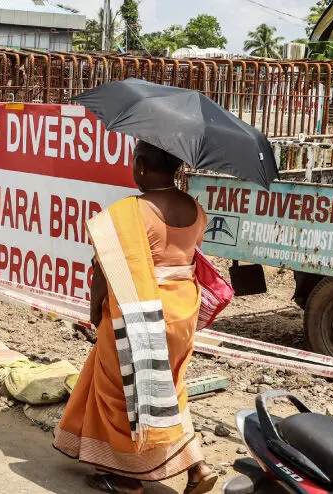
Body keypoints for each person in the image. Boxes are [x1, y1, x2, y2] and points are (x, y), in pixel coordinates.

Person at [53, 141, 216, 494]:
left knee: (125, 392)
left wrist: (95, 310)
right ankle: (196, 466)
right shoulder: (194, 208)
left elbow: (103, 273)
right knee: (168, 390)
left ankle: (128, 477)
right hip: (182, 313)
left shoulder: (128, 213)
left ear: (141, 165)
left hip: (139, 315)